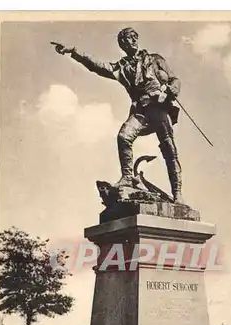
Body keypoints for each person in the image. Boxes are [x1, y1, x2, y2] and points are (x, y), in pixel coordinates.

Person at [53, 27, 184, 204]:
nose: (129, 42)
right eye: (124, 41)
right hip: (141, 111)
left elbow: (174, 80)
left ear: (136, 39)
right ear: (121, 46)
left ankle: (178, 194)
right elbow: (98, 67)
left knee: (169, 150)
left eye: (131, 38)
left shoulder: (155, 59)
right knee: (124, 136)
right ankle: (128, 177)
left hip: (159, 108)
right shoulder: (122, 67)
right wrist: (74, 52)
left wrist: (170, 91)